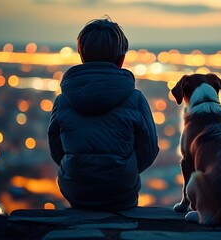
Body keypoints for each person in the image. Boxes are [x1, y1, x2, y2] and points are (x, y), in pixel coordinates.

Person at [48, 17, 159, 211]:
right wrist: (124, 169)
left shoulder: (63, 101)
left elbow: (56, 149)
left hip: (76, 190)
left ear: (82, 56)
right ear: (121, 59)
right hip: (121, 190)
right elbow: (148, 151)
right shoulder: (135, 100)